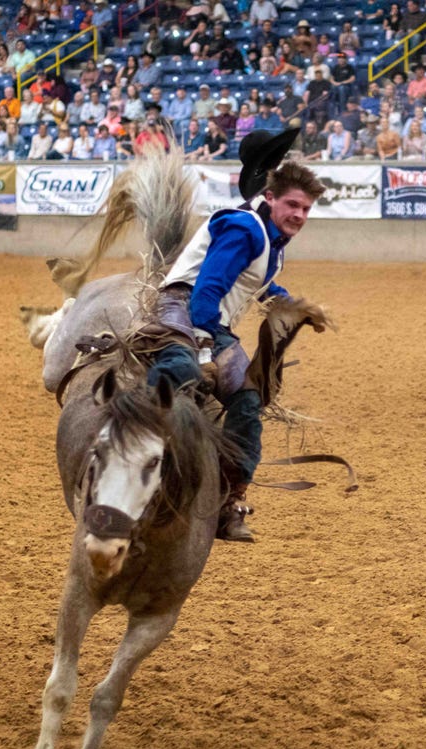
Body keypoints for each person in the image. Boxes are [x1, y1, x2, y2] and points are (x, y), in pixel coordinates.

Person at [147, 131, 327, 542]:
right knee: (180, 368)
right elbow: (207, 288)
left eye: (306, 208)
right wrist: (206, 345)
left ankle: (230, 499)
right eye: (293, 205)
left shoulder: (271, 239)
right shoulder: (244, 228)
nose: (299, 214)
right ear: (271, 198)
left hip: (214, 321)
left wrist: (292, 304)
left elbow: (255, 284)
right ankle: (132, 441)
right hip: (184, 306)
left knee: (248, 399)